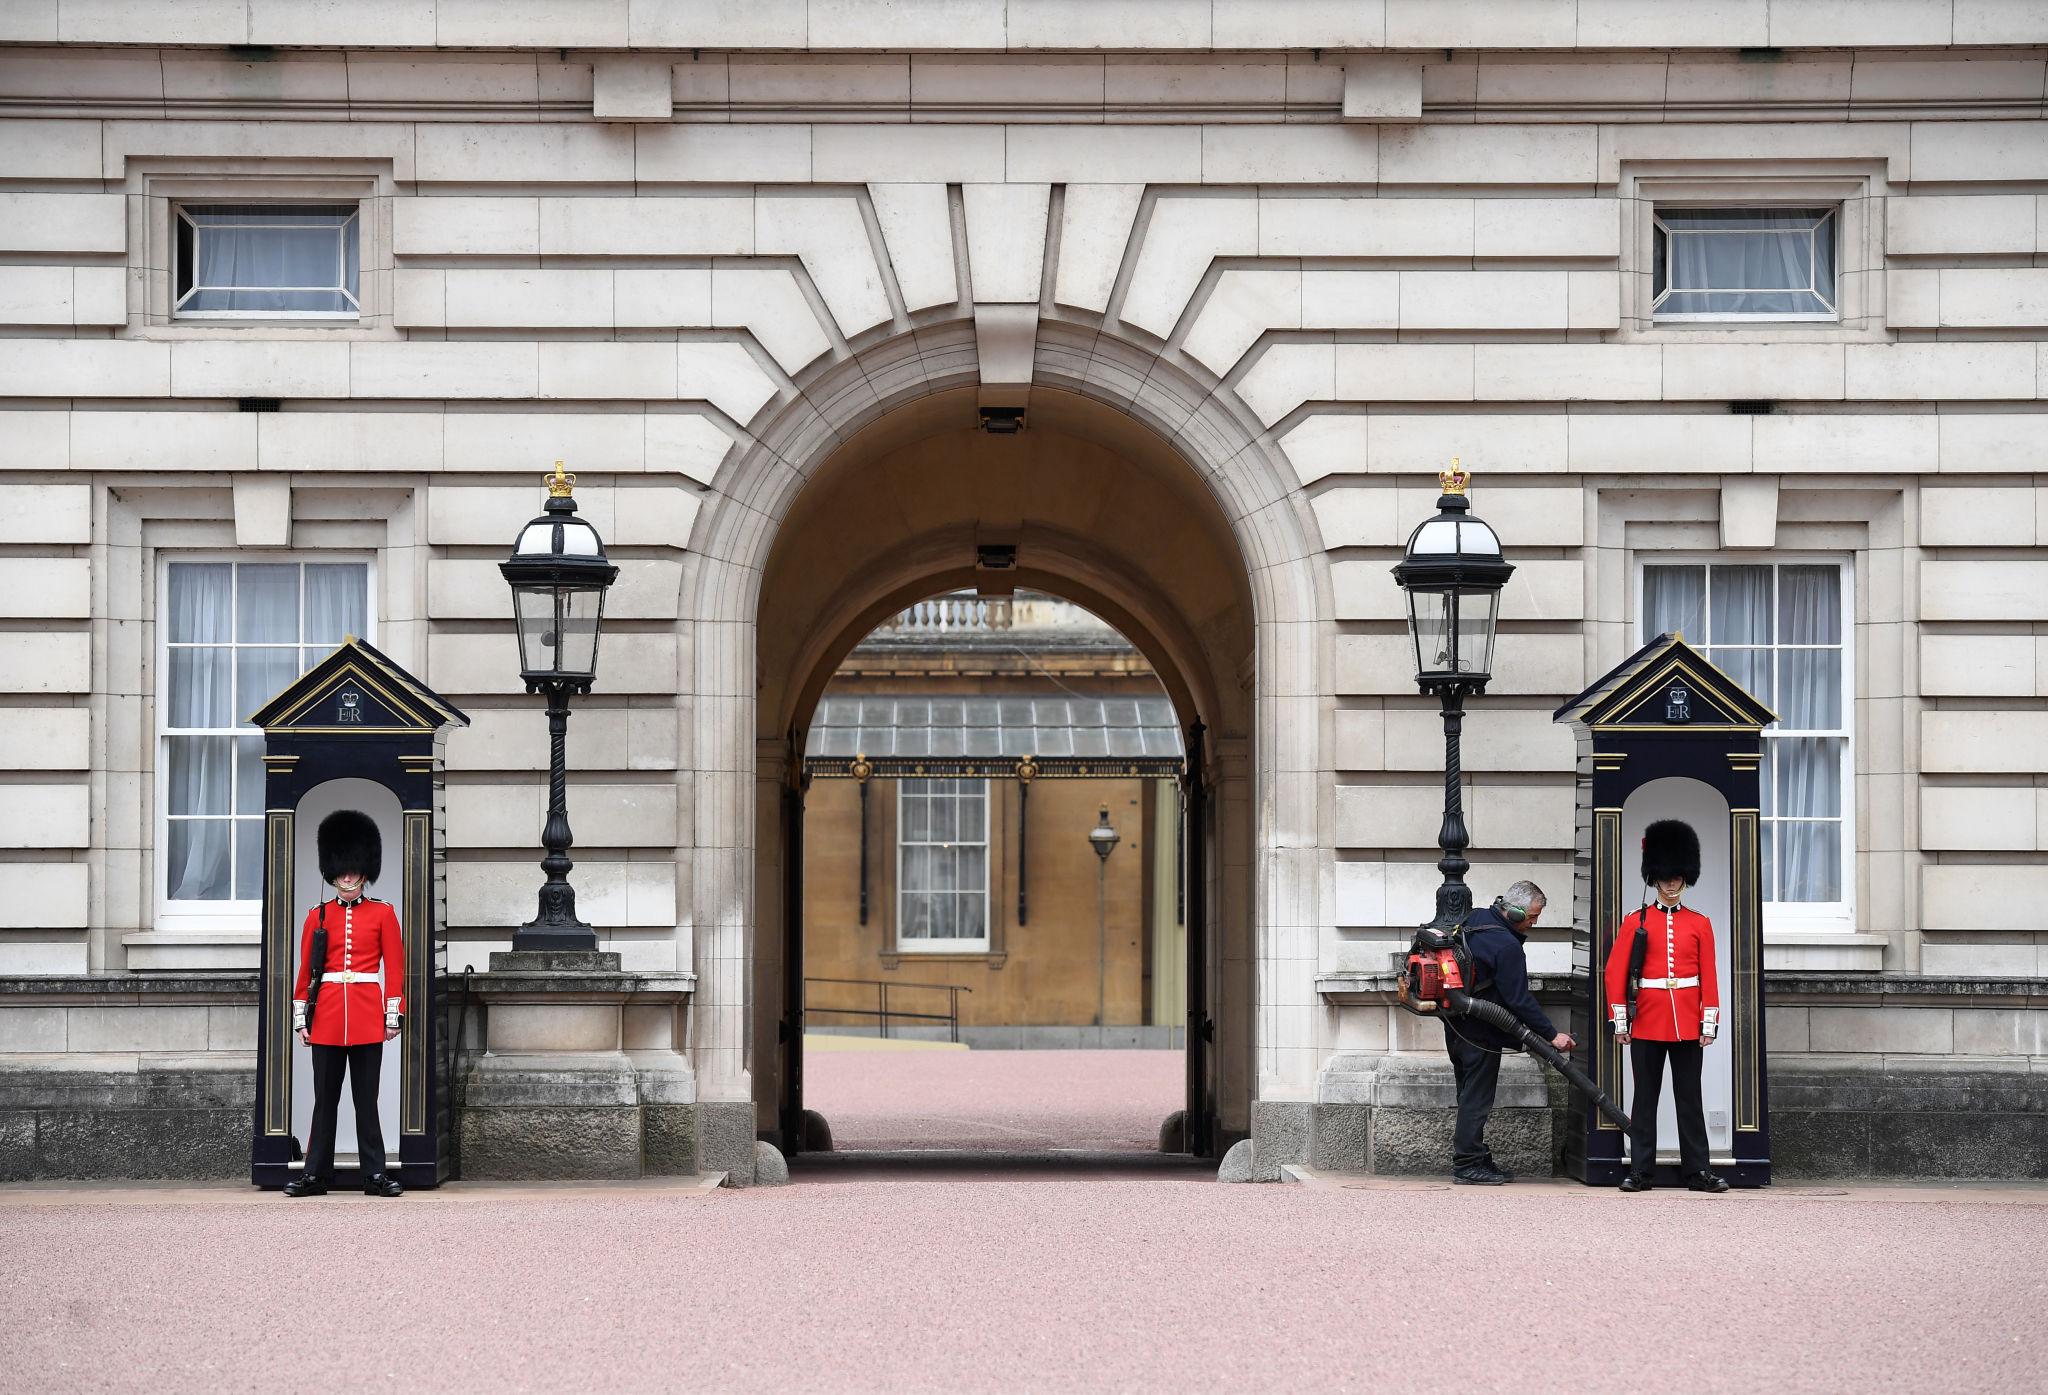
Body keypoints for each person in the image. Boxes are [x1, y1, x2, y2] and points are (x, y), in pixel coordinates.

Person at [284, 810, 405, 1198]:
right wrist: (302, 1019)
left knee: (366, 1103)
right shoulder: (316, 917)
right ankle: (316, 1174)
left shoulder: (383, 914)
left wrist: (392, 1016)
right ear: (332, 872)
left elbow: (396, 970)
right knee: (325, 1103)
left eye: (354, 871)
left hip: (369, 1017)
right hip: (329, 1019)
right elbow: (305, 972)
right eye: (342, 871)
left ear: (364, 872)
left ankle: (374, 1174)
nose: (348, 878)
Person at [1605, 819, 1729, 1195]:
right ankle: (1641, 1170)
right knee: (1645, 1099)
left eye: (1677, 875)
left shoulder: (1700, 923)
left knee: (1690, 1098)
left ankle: (1698, 1171)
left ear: (1685, 876)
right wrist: (1621, 1020)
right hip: (1646, 1020)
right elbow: (1615, 973)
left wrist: (1708, 1023)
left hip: (1688, 1021)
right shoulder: (1635, 921)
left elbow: (1709, 974)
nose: (1672, 882)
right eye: (1665, 875)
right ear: (1654, 876)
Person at [1442, 880, 1576, 1185]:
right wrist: (1552, 1034)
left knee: (1468, 1095)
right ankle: (1466, 1164)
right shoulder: (1506, 946)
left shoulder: (1475, 918)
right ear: (1513, 912)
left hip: (1456, 1026)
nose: (1533, 924)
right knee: (1477, 1100)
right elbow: (1519, 1000)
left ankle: (1474, 1155)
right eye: (1531, 917)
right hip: (1482, 1034)